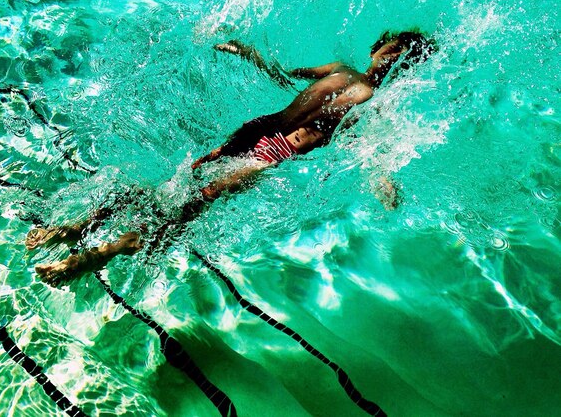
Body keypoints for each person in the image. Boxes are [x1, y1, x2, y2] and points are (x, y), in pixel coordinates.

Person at [29, 31, 434, 286]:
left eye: (405, 57)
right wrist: (248, 53)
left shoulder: (379, 105)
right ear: (380, 46)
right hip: (255, 130)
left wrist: (381, 178)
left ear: (407, 69)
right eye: (395, 48)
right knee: (174, 189)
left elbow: (372, 147)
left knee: (198, 198)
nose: (395, 57)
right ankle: (81, 226)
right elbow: (282, 75)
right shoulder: (340, 69)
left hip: (279, 150)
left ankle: (110, 249)